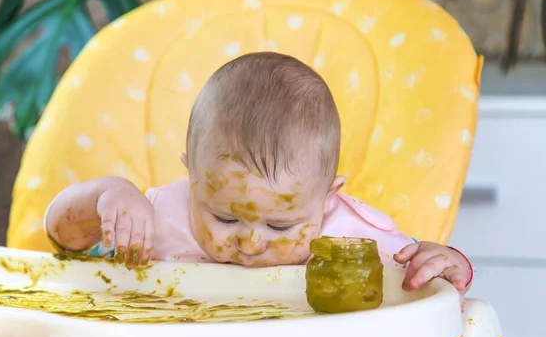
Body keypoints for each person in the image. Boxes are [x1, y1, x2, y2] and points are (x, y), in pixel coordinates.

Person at [45, 52, 473, 306]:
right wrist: (110, 195)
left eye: (280, 225)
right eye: (225, 219)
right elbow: (63, 236)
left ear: (327, 198)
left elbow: (420, 292)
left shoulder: (351, 240)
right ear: (191, 177)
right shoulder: (157, 217)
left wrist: (446, 265)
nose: (249, 244)